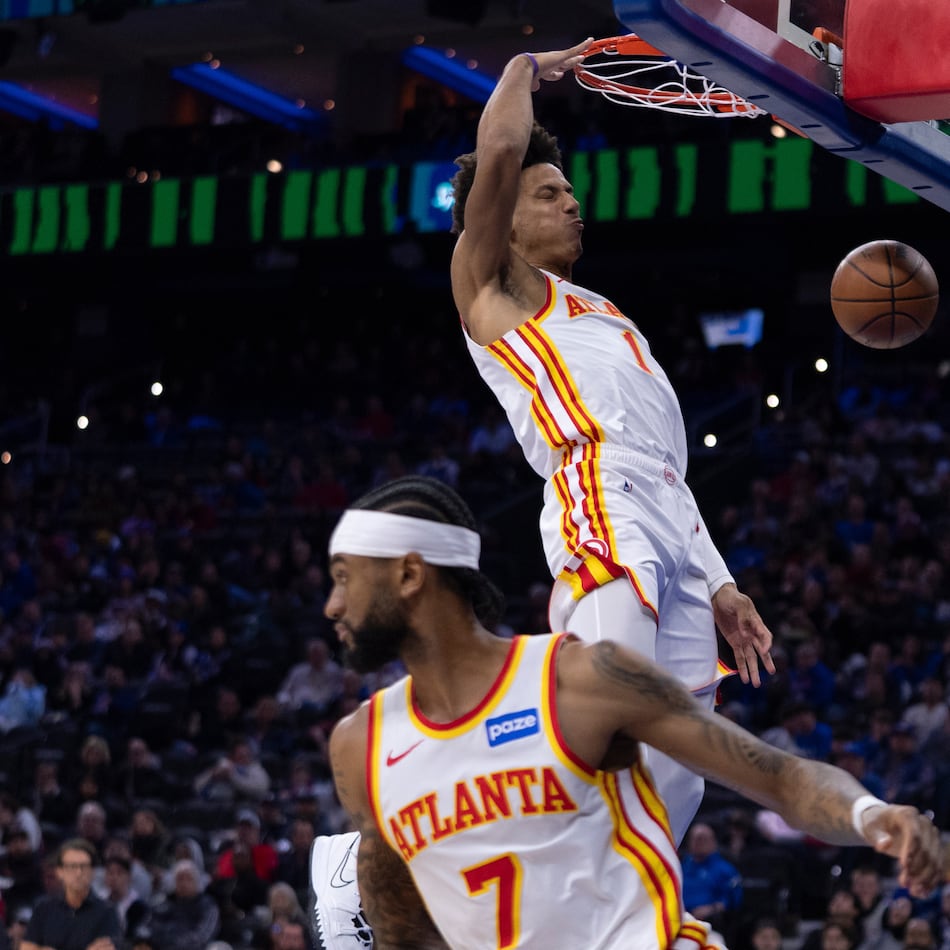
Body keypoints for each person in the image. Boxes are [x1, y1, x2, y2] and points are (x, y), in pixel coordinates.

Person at [319, 475, 941, 949]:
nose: (332, 605)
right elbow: (408, 928)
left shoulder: (580, 679)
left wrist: (873, 815)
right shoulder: (360, 746)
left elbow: (779, 776)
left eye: (345, 578)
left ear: (408, 575)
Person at [447, 36, 775, 845]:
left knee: (677, 782)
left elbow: (673, 472)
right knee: (606, 706)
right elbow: (498, 148)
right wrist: (527, 65)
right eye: (551, 191)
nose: (572, 202)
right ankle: (461, 831)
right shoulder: (494, 286)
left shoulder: (611, 314)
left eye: (570, 192)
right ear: (504, 215)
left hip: (665, 505)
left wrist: (723, 583)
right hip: (597, 488)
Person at [21, 837, 121, 950]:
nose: (78, 873)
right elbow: (26, 947)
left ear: (93, 872)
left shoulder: (107, 912)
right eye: (72, 867)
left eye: (84, 866)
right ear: (59, 872)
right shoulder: (43, 909)